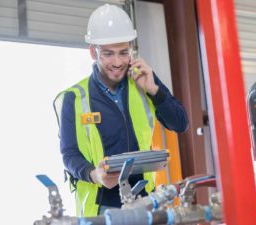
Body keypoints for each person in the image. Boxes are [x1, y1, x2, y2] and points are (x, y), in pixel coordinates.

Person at [54, 4, 189, 217]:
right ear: (93, 52)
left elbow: (180, 123)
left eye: (123, 52)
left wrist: (154, 90)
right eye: (108, 54)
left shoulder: (144, 81)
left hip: (145, 201)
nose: (117, 62)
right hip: (100, 207)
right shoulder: (74, 98)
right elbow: (69, 154)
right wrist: (94, 174)